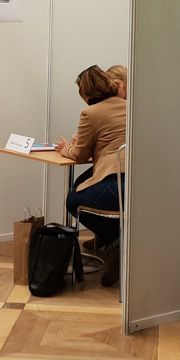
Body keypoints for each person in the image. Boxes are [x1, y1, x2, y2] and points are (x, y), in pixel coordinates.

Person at [56, 65, 127, 287]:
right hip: (137, 179)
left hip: (115, 184)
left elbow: (79, 155)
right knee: (80, 183)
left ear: (85, 93)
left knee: (73, 200)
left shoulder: (90, 113)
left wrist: (66, 148)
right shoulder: (130, 106)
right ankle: (108, 240)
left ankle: (114, 241)